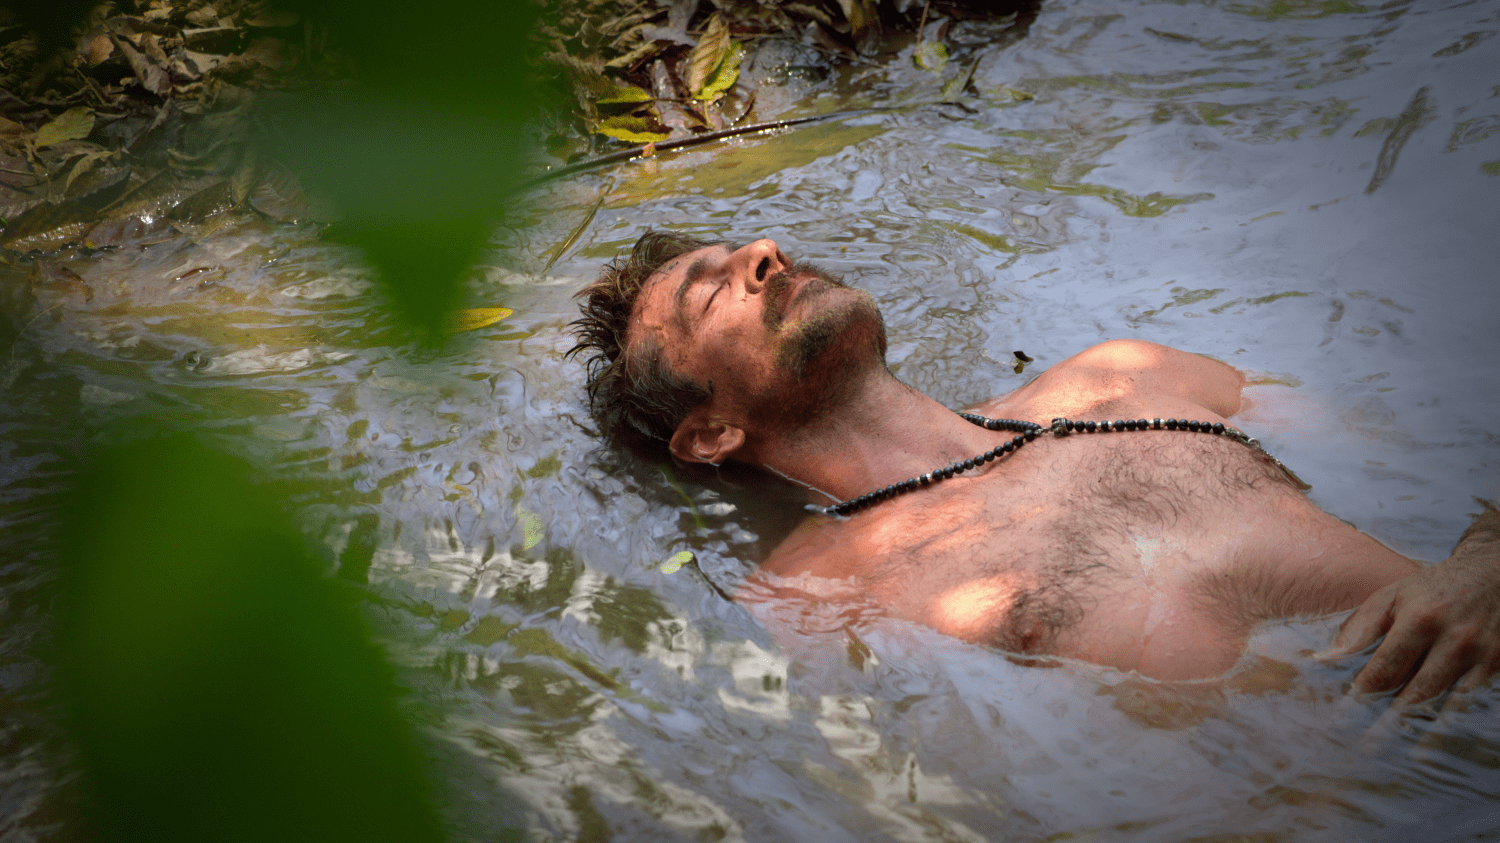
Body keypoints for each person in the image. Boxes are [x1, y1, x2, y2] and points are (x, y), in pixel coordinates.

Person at [568, 230, 1500, 702]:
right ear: (709, 433)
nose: (764, 253)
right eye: (714, 289)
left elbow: (1438, 442)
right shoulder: (810, 596)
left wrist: (1489, 552)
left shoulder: (1130, 373)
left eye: (749, 250)